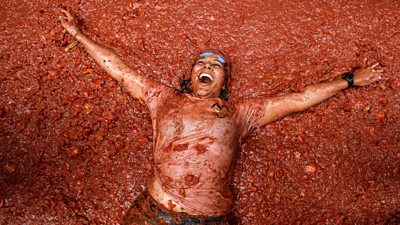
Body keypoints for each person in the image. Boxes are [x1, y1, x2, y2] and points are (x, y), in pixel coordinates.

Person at [59, 10, 384, 225]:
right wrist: (78, 34)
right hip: (152, 214)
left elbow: (299, 100)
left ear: (224, 82)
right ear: (190, 75)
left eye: (216, 66)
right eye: (201, 64)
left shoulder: (242, 113)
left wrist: (350, 79)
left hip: (209, 220)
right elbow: (119, 70)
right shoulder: (161, 98)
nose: (207, 68)